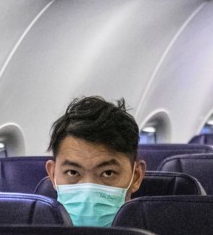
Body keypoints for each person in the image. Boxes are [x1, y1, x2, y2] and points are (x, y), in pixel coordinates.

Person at [45, 96, 146, 227]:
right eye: (73, 172)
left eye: (108, 173)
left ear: (136, 176)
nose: (88, 194)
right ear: (53, 175)